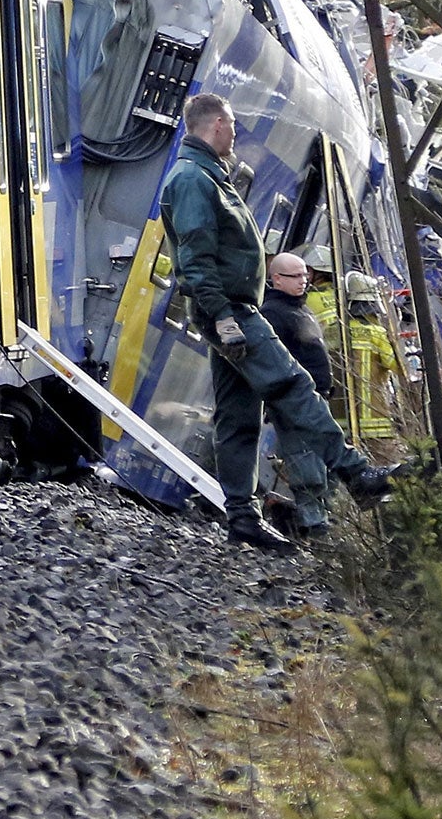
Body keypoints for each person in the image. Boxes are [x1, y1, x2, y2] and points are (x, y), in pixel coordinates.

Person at [160, 93, 395, 550]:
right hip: (230, 311)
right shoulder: (194, 180)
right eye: (231, 123)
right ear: (214, 126)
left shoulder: (207, 176)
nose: (235, 132)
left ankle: (243, 520)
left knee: (239, 416)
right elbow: (195, 255)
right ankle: (355, 473)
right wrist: (223, 316)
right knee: (293, 386)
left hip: (226, 311)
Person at [341, 271, 403, 439]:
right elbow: (397, 366)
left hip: (340, 422)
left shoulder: (334, 330)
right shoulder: (376, 332)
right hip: (375, 420)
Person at [261, 252, 331, 395]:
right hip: (298, 400)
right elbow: (273, 363)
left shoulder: (303, 308)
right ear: (277, 278)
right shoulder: (272, 313)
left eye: (305, 275)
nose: (303, 281)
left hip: (315, 397)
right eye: (296, 276)